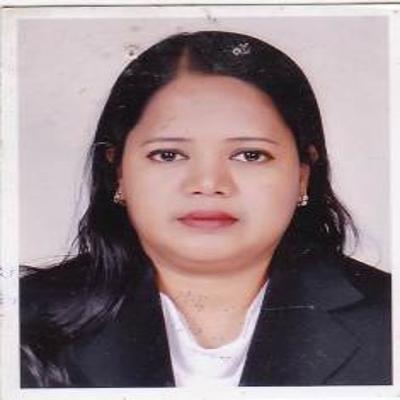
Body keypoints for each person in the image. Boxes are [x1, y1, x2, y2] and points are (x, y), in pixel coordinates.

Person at [20, 30, 391, 388]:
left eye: (250, 155)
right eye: (168, 155)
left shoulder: (390, 318)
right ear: (118, 171)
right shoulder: (18, 319)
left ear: (303, 175)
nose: (209, 183)